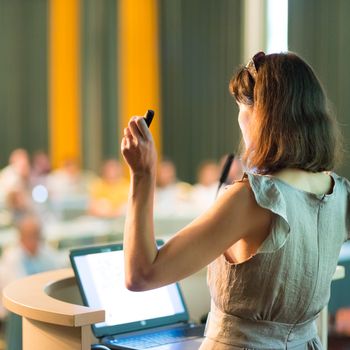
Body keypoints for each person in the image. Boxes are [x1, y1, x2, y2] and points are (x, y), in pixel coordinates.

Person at [120, 52, 350, 349]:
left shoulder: (254, 198)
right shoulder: (340, 194)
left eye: (241, 108)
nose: (239, 120)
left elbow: (141, 274)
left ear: (262, 115)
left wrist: (142, 174)